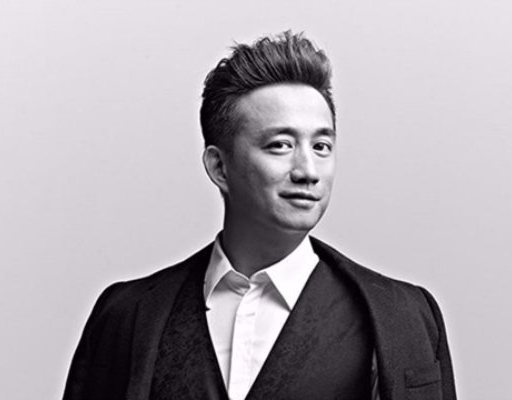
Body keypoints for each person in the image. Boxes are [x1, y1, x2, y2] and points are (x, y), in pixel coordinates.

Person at [63, 31, 456, 400]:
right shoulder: (125, 315)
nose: (308, 171)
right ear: (219, 167)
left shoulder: (404, 316)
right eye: (280, 145)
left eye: (321, 146)